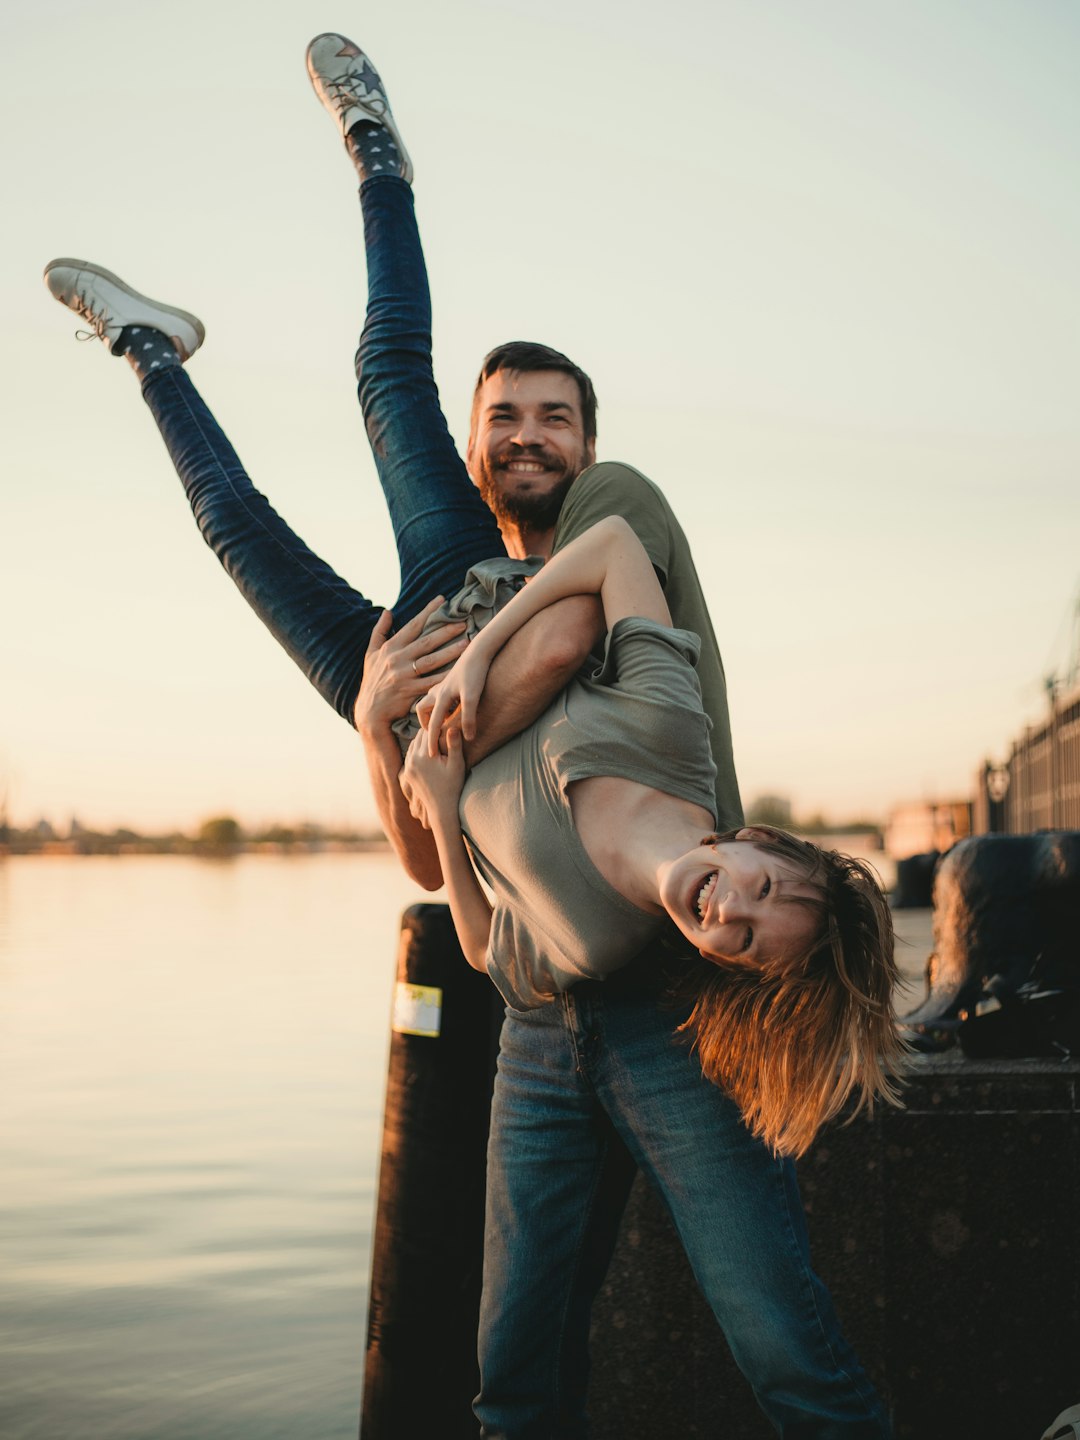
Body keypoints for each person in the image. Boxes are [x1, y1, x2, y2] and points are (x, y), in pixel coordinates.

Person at [44, 34, 901, 1436]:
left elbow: (569, 630)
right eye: (503, 418)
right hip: (526, 940)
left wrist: (428, 720)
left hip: (659, 994)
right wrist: (388, 727)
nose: (525, 433)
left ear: (585, 436)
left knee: (782, 1349)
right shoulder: (497, 570)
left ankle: (286, 225)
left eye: (549, 416)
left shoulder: (621, 533)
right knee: (325, 436)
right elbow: (444, 860)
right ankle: (165, 336)